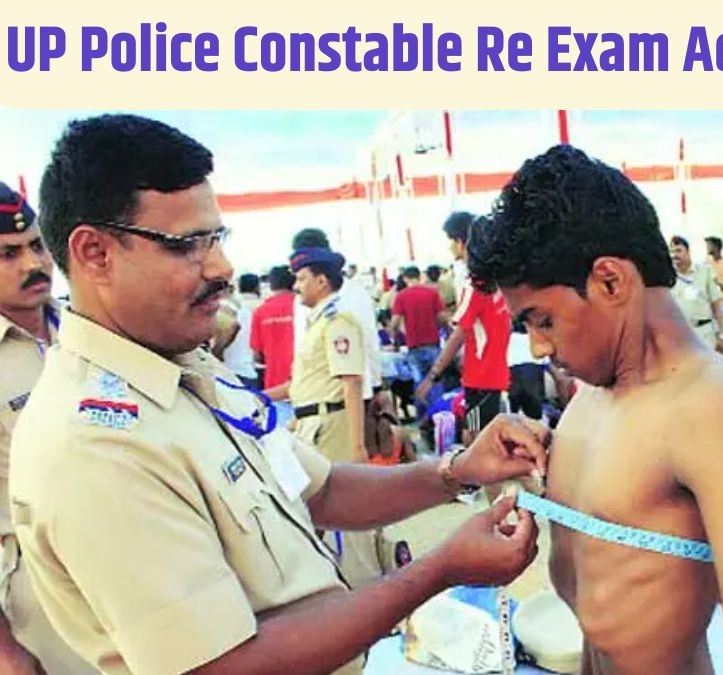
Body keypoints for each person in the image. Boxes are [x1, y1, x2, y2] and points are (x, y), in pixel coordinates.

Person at [12, 113, 545, 675]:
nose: (222, 267)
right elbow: (222, 666)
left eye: (217, 238)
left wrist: (456, 471)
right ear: (95, 253)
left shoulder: (187, 368)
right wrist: (440, 570)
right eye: (188, 245)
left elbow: (322, 490)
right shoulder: (93, 445)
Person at [468, 145, 723, 674]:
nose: (537, 347)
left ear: (610, 281)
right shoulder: (592, 393)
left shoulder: (708, 404)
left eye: (544, 321)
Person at [0, 182, 93, 674]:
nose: (33, 264)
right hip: (47, 591)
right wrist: (6, 654)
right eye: (8, 254)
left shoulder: (90, 330)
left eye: (37, 246)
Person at [289, 247, 393, 586]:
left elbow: (351, 382)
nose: (297, 286)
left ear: (321, 281)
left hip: (331, 425)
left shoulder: (338, 322)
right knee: (323, 511)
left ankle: (363, 583)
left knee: (345, 513)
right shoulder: (319, 323)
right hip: (314, 423)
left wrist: (357, 445)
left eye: (302, 279)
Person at [418, 215, 513, 446]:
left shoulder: (476, 285)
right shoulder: (499, 282)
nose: (450, 247)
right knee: (483, 437)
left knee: (475, 439)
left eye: (450, 241)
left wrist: (432, 376)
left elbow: (458, 334)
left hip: (480, 376)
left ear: (461, 242)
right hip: (495, 372)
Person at [668, 235, 723, 350]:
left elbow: (716, 305)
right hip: (679, 335)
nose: (674, 255)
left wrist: (721, 333)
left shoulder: (705, 271)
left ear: (688, 252)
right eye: (672, 252)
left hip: (703, 333)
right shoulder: (668, 276)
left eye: (679, 251)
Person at [390, 265, 444, 384]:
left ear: (405, 278)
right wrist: (436, 327)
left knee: (419, 383)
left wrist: (395, 340)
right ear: (419, 276)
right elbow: (441, 318)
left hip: (413, 344)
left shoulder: (401, 296)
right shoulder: (432, 293)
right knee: (436, 380)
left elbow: (394, 322)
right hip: (433, 342)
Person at [250, 265, 297, 390]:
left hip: (274, 384)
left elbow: (257, 355)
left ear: (271, 284)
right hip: (304, 382)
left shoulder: (260, 312)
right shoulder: (304, 308)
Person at [214, 272, 262, 388]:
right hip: (248, 368)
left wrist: (217, 352)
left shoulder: (227, 306)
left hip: (231, 370)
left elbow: (233, 327)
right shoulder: (258, 306)